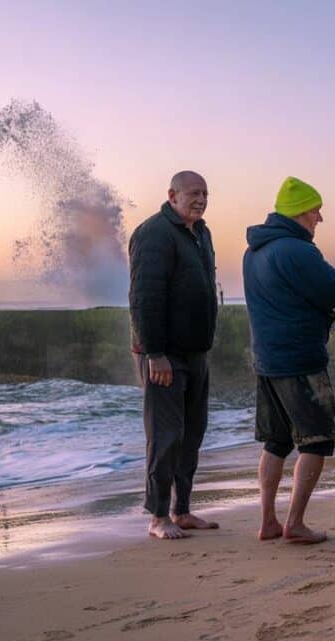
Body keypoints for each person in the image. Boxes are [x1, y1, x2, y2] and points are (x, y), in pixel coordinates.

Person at [243, 177, 335, 544]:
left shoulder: (254, 252)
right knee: (316, 441)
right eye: (314, 210)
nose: (319, 218)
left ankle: (268, 521)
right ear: (298, 213)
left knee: (275, 442)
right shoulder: (297, 251)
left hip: (267, 360)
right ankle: (295, 523)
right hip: (300, 360)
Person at [128, 170, 221, 540]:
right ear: (172, 195)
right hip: (164, 355)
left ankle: (182, 510)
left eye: (206, 194)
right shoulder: (153, 233)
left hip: (196, 351)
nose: (201, 200)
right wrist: (154, 353)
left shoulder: (201, 232)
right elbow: (144, 298)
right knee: (166, 436)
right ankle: (157, 517)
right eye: (194, 193)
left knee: (193, 434)